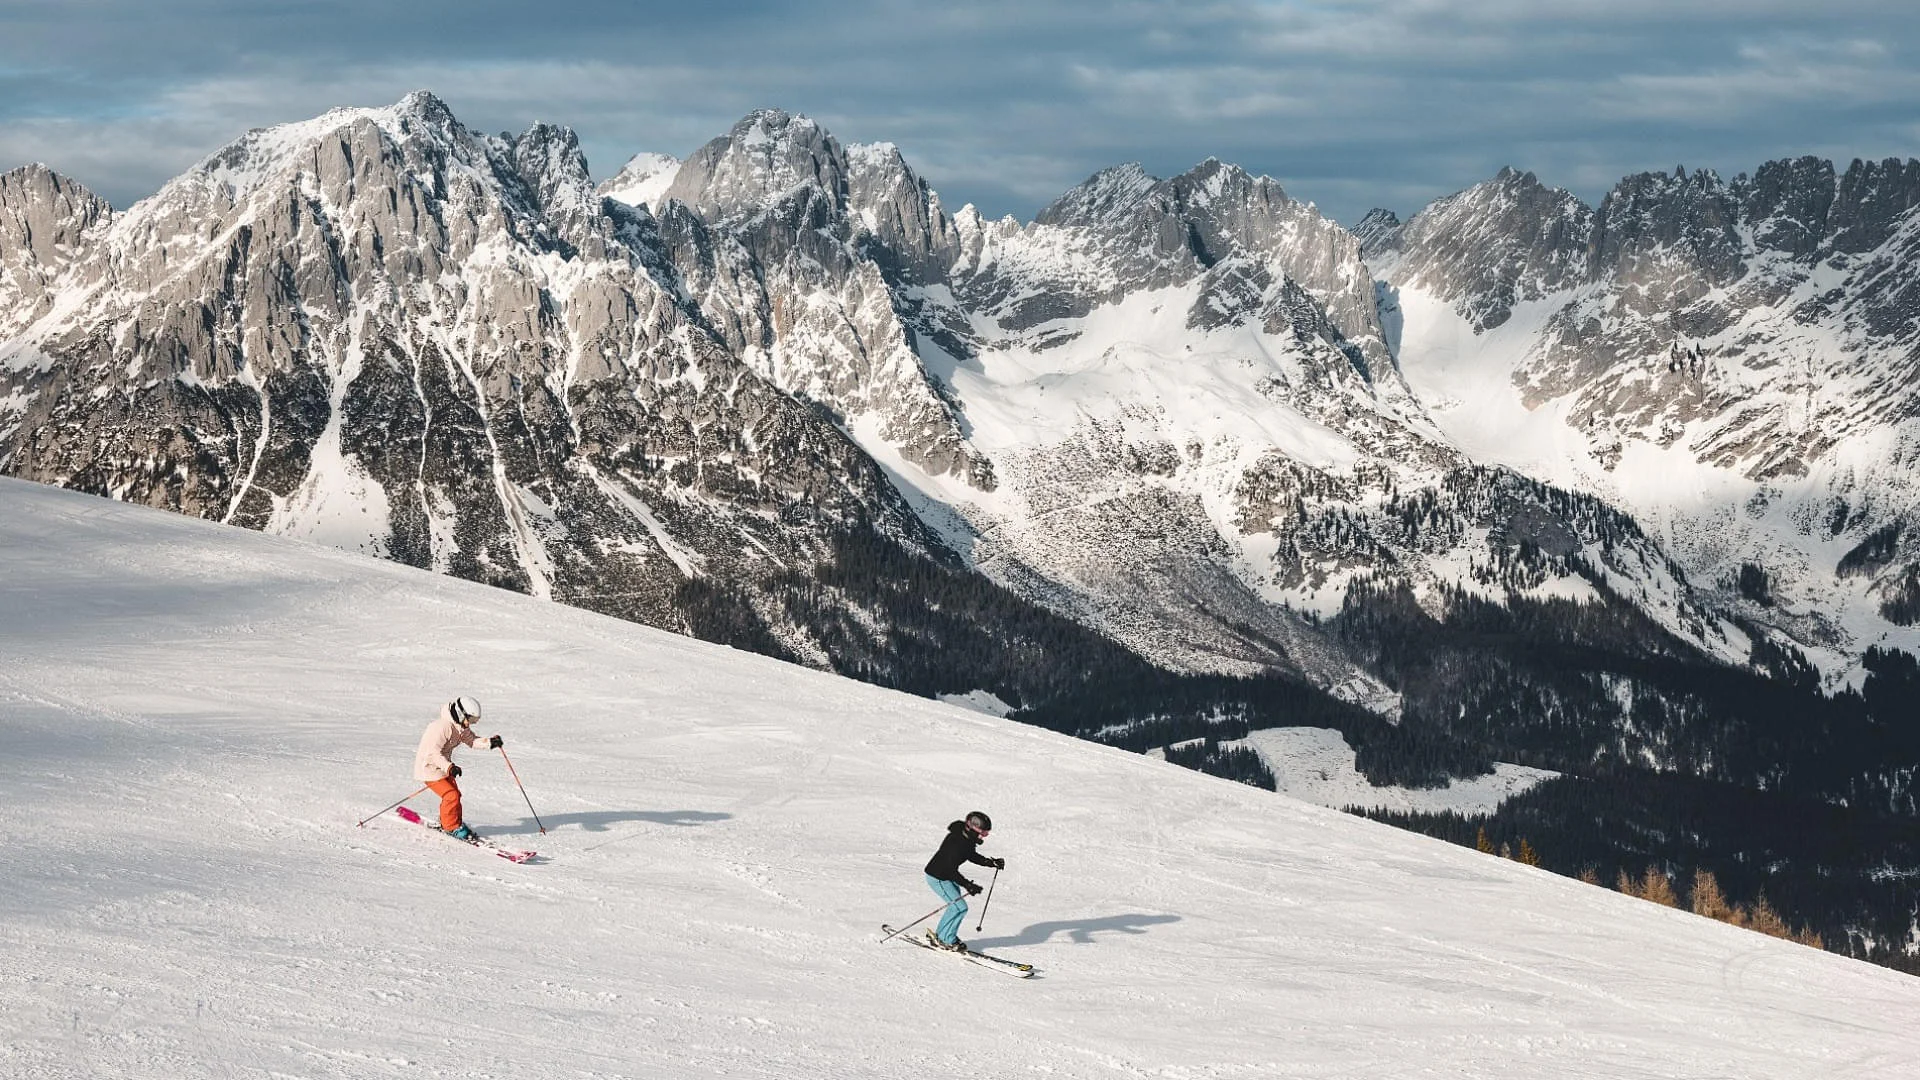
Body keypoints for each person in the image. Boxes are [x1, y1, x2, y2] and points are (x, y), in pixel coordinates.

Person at [414, 696, 501, 840]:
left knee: (455, 795)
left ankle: (454, 822)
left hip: (443, 767)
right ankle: (450, 827)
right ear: (461, 714)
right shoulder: (441, 727)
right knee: (450, 795)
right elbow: (432, 754)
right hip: (428, 768)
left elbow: (472, 741)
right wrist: (450, 767)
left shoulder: (460, 727)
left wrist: (490, 742)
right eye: (471, 720)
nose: (471, 724)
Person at [922, 811, 1004, 952]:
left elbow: (970, 855)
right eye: (983, 832)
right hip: (939, 877)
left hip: (946, 876)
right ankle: (946, 939)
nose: (985, 835)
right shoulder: (956, 842)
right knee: (960, 907)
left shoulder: (965, 838)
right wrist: (968, 885)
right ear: (971, 827)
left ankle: (943, 935)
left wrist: (990, 862)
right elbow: (950, 870)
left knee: (956, 907)